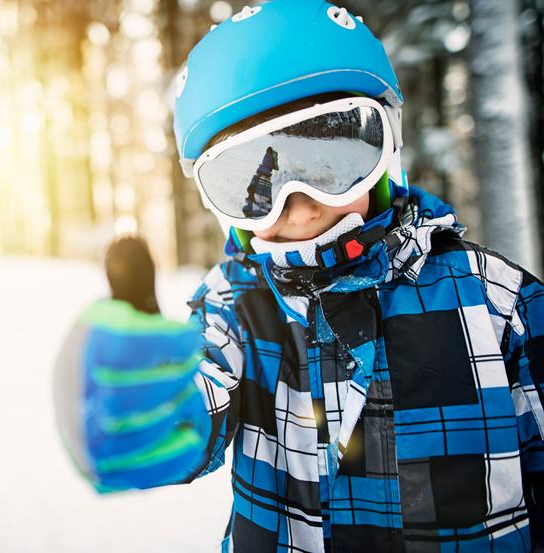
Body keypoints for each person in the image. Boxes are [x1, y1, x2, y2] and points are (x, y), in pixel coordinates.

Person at [53, 1, 544, 551]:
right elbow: (198, 396)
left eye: (332, 161)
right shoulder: (236, 307)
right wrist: (137, 407)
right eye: (255, 187)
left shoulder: (498, 301)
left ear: (387, 150)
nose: (301, 208)